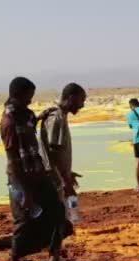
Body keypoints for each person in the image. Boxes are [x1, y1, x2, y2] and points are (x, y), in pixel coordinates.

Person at [0, 76, 75, 261]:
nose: (30, 100)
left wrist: (42, 115)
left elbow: (32, 125)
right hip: (22, 179)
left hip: (37, 173)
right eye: (28, 96)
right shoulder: (9, 121)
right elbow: (13, 158)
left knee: (57, 211)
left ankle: (52, 260)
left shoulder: (26, 115)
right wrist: (25, 191)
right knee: (23, 223)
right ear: (17, 95)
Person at [38, 83, 86, 222]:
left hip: (58, 177)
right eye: (81, 100)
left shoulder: (60, 115)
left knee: (63, 217)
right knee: (58, 219)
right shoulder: (56, 117)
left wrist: (68, 173)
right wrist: (66, 182)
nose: (82, 105)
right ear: (71, 98)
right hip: (53, 178)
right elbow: (53, 152)